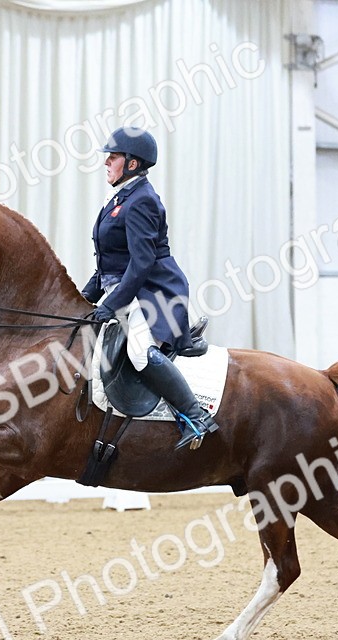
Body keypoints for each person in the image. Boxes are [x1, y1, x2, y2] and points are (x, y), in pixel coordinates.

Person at [80, 126, 218, 450]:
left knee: (139, 352)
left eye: (112, 157)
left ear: (131, 163)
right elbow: (109, 264)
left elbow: (140, 264)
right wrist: (82, 298)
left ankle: (195, 417)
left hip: (155, 291)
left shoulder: (142, 200)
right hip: (129, 289)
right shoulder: (118, 197)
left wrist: (110, 304)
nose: (106, 162)